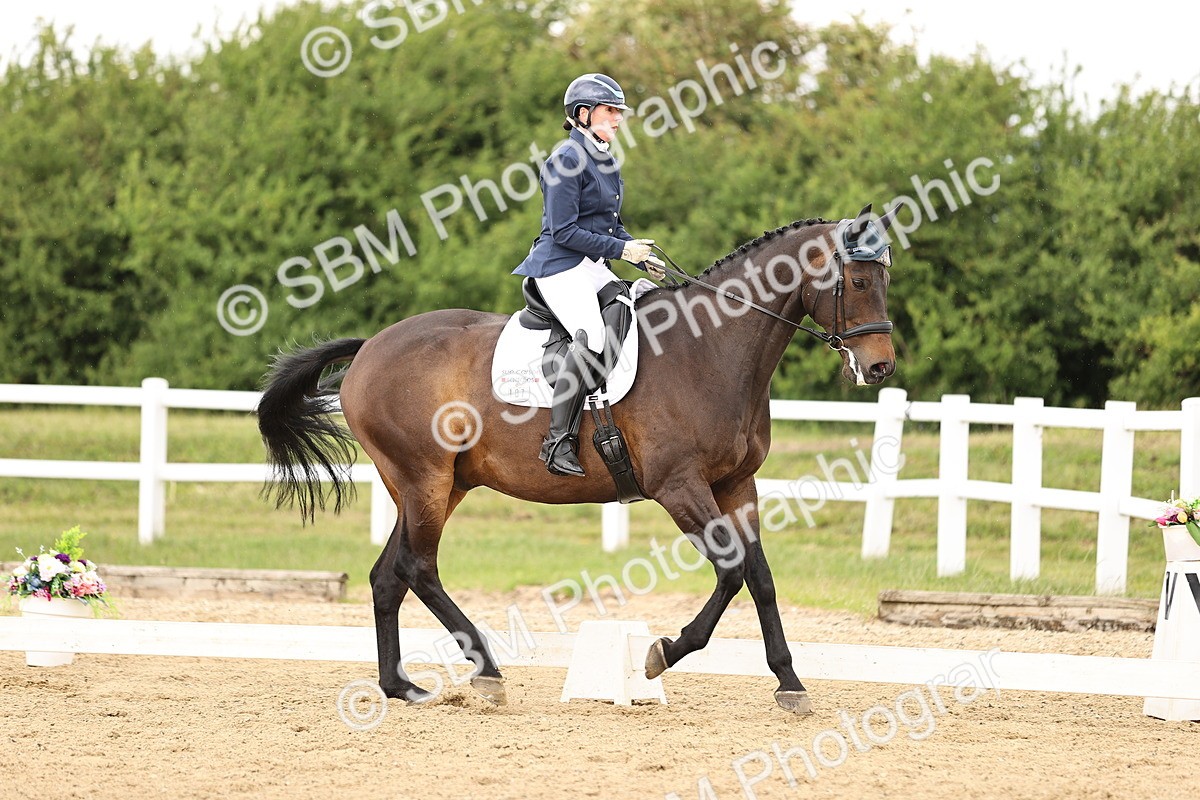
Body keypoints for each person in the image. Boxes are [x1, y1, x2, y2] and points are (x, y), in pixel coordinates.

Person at [514, 73, 665, 478]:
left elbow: (611, 225)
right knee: (593, 336)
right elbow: (563, 231)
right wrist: (621, 251)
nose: (618, 118)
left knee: (633, 302)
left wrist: (639, 256)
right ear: (583, 113)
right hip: (560, 266)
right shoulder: (565, 159)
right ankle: (557, 442)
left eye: (619, 111)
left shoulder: (605, 158)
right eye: (610, 110)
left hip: (591, 266)